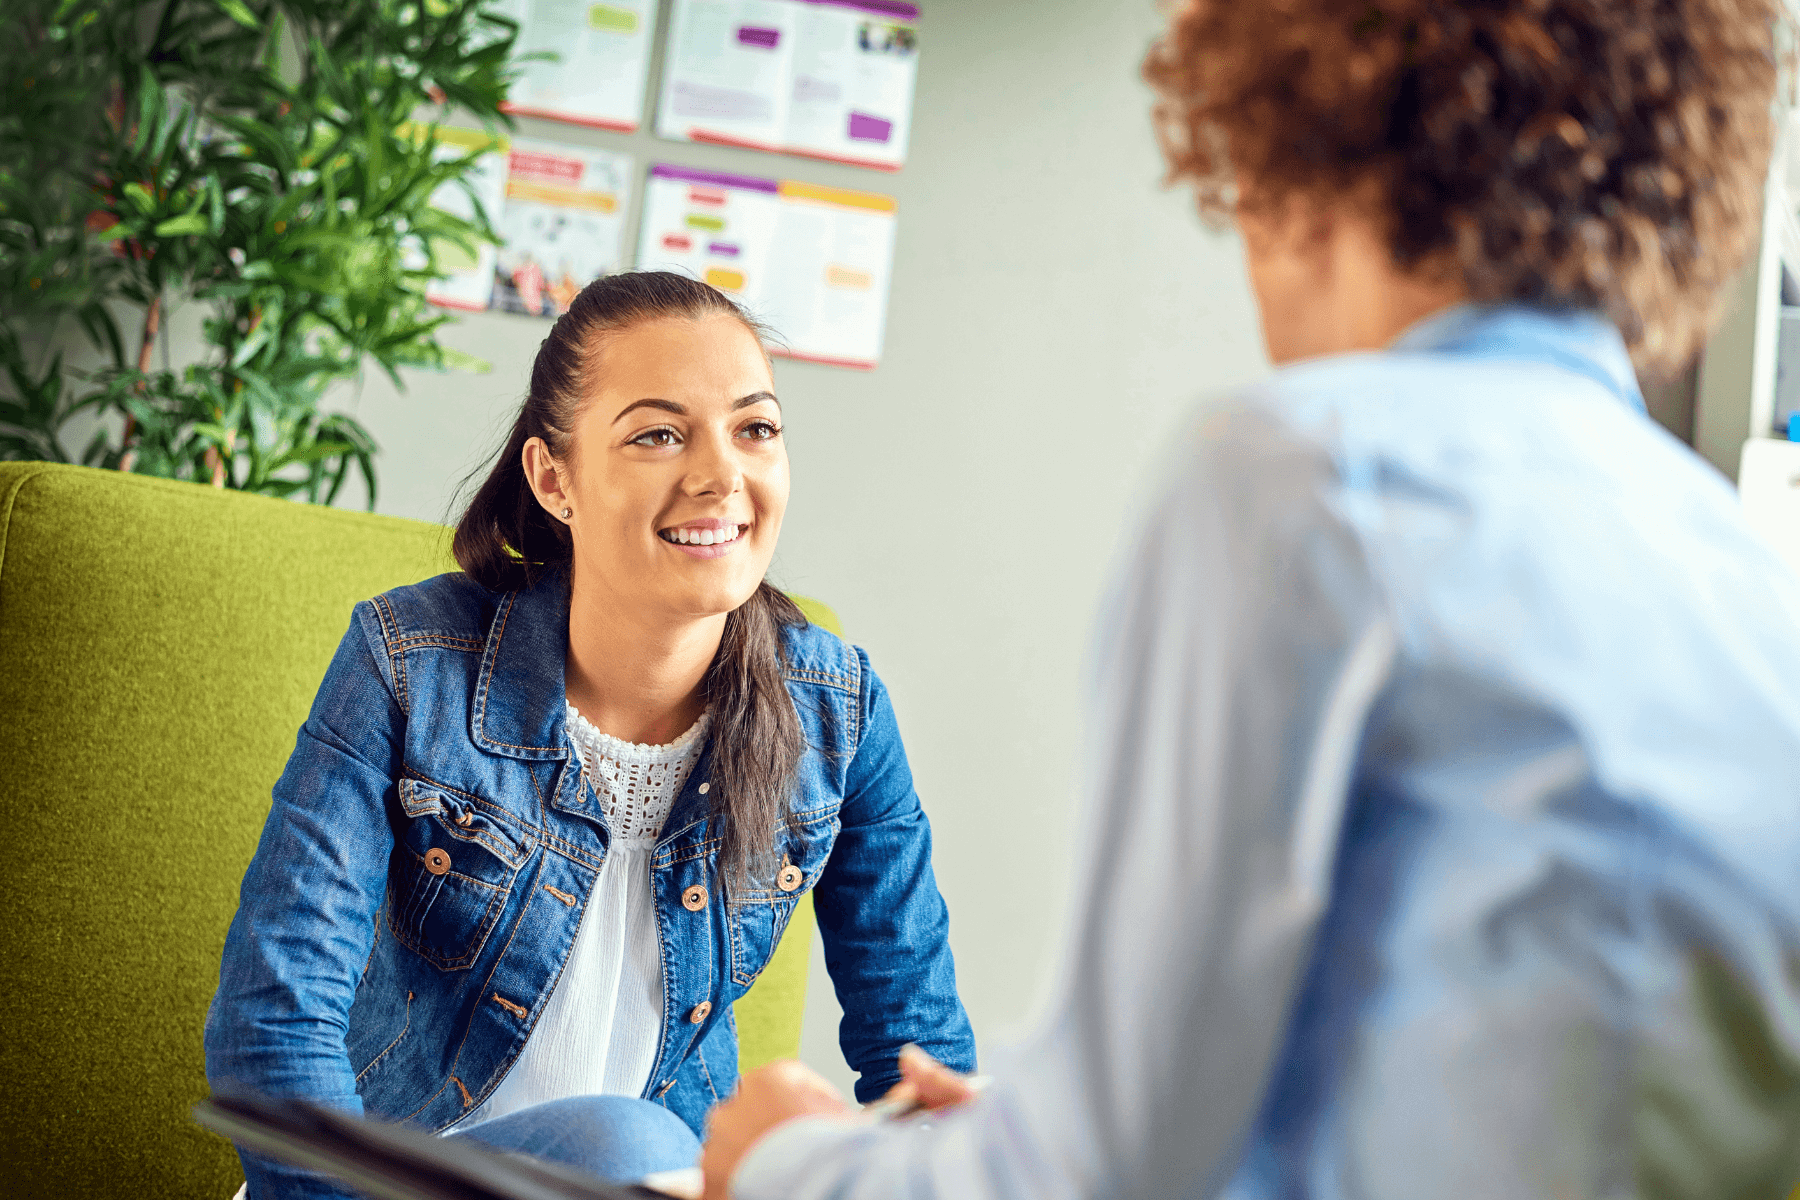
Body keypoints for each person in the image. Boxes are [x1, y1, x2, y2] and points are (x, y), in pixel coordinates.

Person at [700, 1, 1800, 1197]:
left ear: (1297, 151)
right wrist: (1023, 1123)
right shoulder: (1743, 577)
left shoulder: (1312, 473)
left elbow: (1103, 1173)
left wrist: (781, 1165)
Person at [204, 270, 976, 1199]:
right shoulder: (409, 663)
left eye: (756, 428)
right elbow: (272, 1024)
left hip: (653, 1182)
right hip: (375, 1187)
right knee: (622, 1142)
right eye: (658, 434)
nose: (721, 475)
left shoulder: (839, 715)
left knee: (652, 1155)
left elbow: (918, 1058)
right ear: (554, 478)